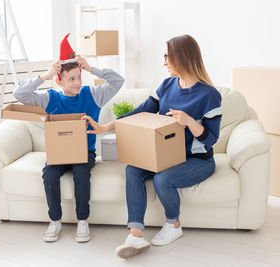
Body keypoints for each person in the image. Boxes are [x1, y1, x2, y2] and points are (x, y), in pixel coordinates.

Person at [82, 35, 222, 258]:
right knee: (133, 169)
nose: (164, 62)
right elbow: (143, 110)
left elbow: (211, 139)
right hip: (169, 155)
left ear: (182, 57)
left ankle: (173, 225)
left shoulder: (209, 95)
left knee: (162, 179)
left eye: (168, 56)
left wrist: (189, 121)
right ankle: (136, 235)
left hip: (198, 160)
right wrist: (107, 126)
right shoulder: (167, 85)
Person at [13, 33, 124, 243]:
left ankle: (83, 220)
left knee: (82, 174)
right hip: (59, 154)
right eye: (71, 78)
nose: (77, 82)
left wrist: (91, 69)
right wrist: (43, 77)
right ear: (59, 80)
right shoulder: (49, 98)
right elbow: (20, 94)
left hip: (85, 152)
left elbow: (118, 81)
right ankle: (55, 220)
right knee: (49, 174)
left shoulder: (92, 94)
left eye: (79, 77)